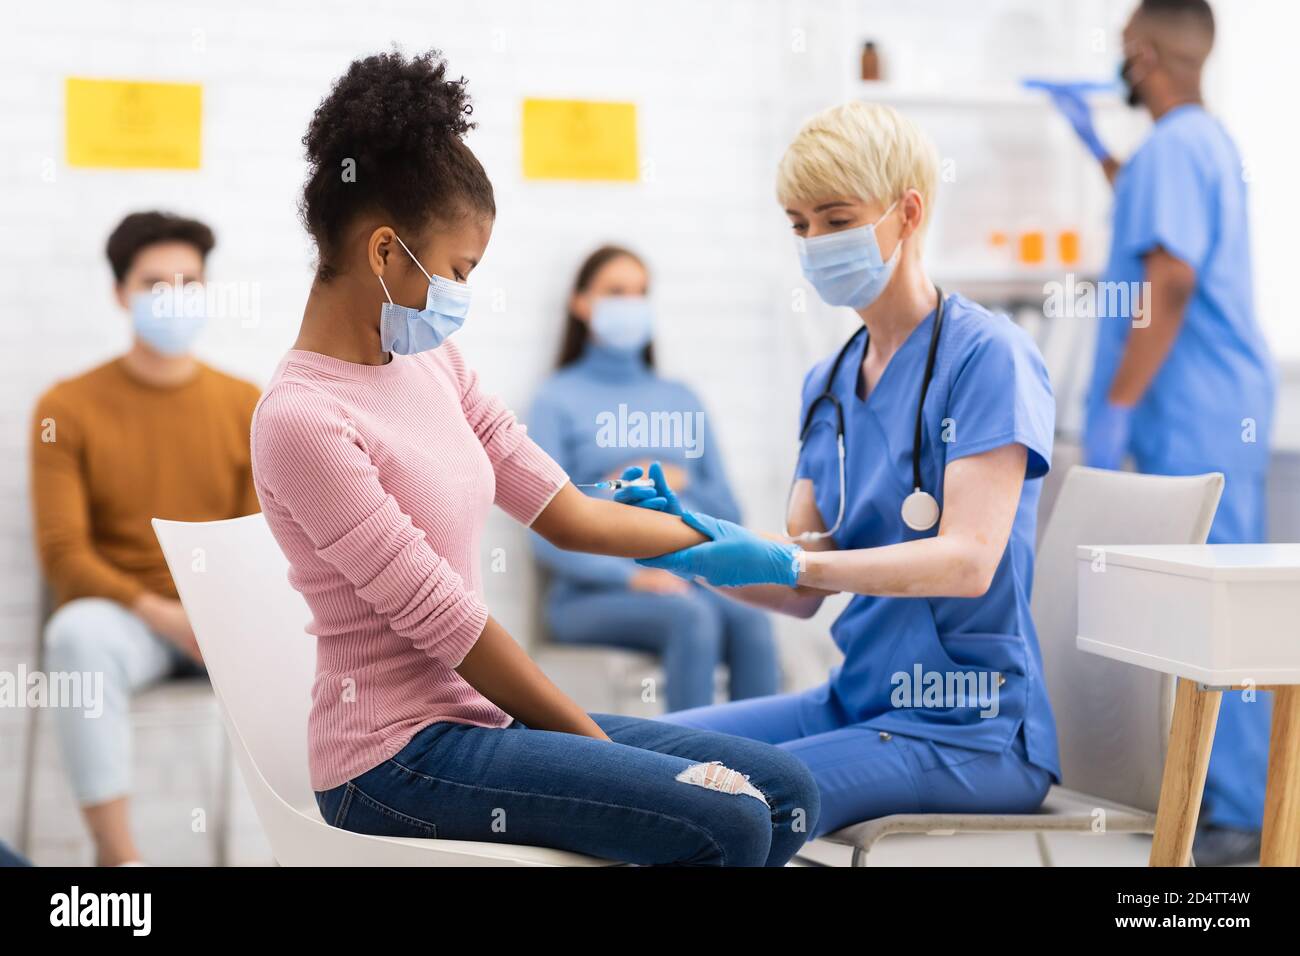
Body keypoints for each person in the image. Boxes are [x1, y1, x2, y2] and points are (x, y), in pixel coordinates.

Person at [250, 50, 819, 866]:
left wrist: (718, 541)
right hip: (392, 761)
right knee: (724, 821)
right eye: (455, 270)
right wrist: (608, 754)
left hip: (480, 722)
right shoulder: (302, 420)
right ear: (384, 253)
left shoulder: (431, 362)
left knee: (786, 795)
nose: (459, 295)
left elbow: (571, 514)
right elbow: (450, 625)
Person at [616, 101, 1061, 839]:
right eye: (799, 224)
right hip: (853, 702)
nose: (815, 241)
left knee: (710, 798)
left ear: (907, 212)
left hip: (966, 730)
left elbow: (969, 563)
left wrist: (797, 563)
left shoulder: (990, 358)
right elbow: (800, 585)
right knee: (626, 755)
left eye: (835, 217)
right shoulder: (827, 382)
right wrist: (686, 543)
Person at [1036, 0, 1275, 865]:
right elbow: (1154, 227)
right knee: (1206, 606)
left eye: (1123, 54)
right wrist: (1099, 153)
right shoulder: (1193, 144)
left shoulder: (1175, 148)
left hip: (1191, 407)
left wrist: (1121, 408)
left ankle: (1239, 817)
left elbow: (1167, 283)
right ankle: (1215, 800)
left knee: (1219, 614)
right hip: (1213, 405)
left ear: (1143, 53)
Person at [30, 211, 261, 866]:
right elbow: (63, 555)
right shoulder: (66, 407)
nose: (175, 297)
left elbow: (253, 542)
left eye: (189, 281)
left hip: (223, 623)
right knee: (75, 634)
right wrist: (166, 615)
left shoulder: (244, 401)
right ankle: (119, 861)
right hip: (134, 624)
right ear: (120, 294)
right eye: (155, 283)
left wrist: (218, 620)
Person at [528, 245, 778, 711]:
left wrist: (682, 485)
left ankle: (761, 773)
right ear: (581, 303)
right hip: (589, 596)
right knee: (692, 619)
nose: (631, 304)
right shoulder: (555, 399)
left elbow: (729, 514)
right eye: (616, 292)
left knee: (754, 622)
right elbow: (543, 531)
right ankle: (690, 779)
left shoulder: (680, 398)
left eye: (640, 293)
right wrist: (615, 495)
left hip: (686, 582)